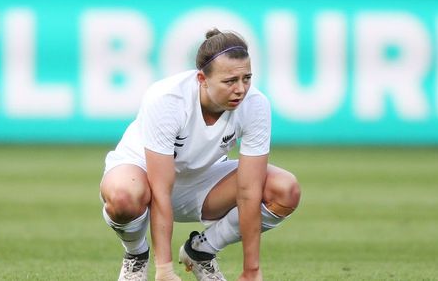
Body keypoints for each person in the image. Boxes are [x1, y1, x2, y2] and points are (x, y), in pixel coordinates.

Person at [99, 28, 301, 281]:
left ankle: (201, 251)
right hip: (142, 176)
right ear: (202, 80)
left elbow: (249, 190)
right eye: (230, 81)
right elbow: (160, 188)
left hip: (202, 181)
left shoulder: (256, 105)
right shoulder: (167, 99)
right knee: (123, 196)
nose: (241, 89)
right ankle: (136, 256)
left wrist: (251, 270)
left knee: (284, 189)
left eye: (246, 78)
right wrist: (164, 270)